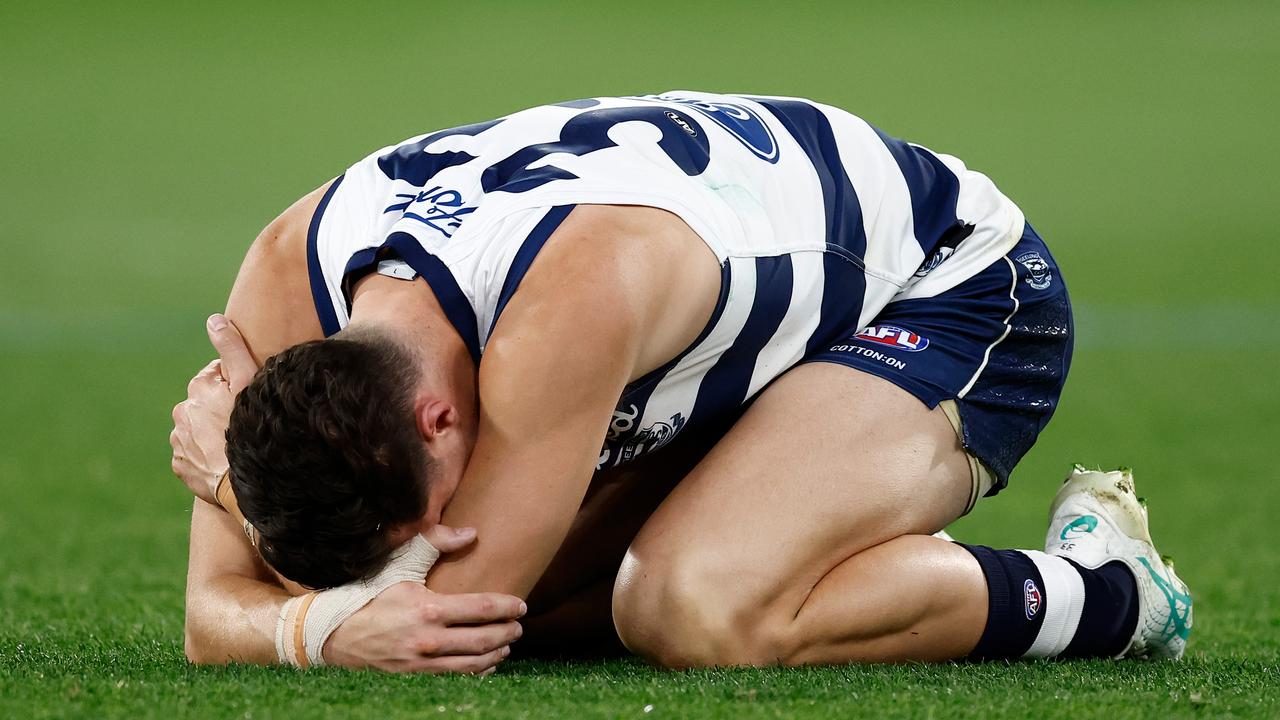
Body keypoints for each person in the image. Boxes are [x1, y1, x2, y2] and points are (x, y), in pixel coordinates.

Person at [170, 90, 1191, 673]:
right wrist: (314, 613)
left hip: (948, 287)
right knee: (571, 620)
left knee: (691, 606)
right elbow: (210, 617)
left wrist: (241, 520)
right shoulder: (278, 283)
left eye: (429, 517)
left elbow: (447, 610)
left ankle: (1109, 593)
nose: (445, 529)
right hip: (725, 334)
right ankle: (798, 509)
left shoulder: (565, 307)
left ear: (441, 420)